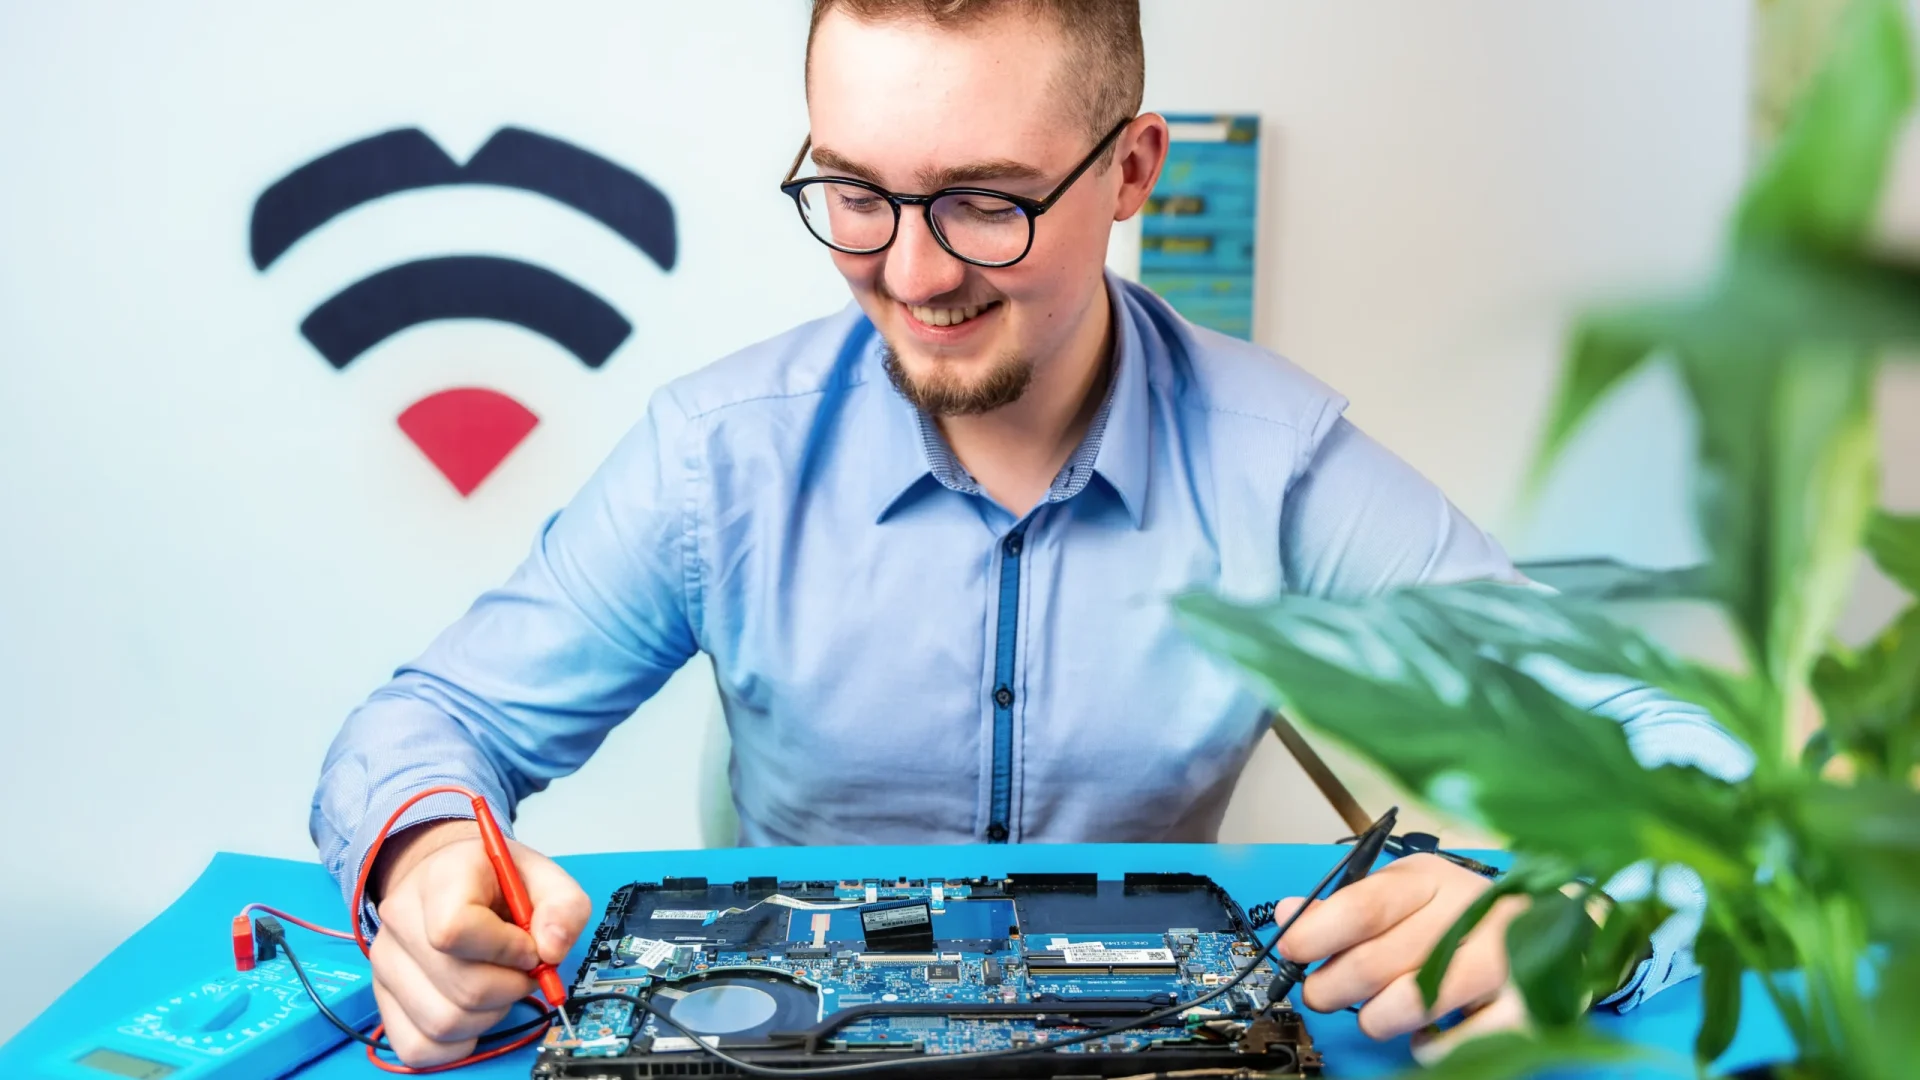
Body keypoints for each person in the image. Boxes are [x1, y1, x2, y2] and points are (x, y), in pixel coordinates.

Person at [310, 0, 1751, 1068]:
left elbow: (1697, 766)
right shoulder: (714, 455)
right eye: (855, 194)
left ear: (1132, 172)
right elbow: (428, 723)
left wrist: (1573, 919)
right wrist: (429, 860)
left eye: (987, 203)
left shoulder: (1281, 470)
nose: (914, 273)